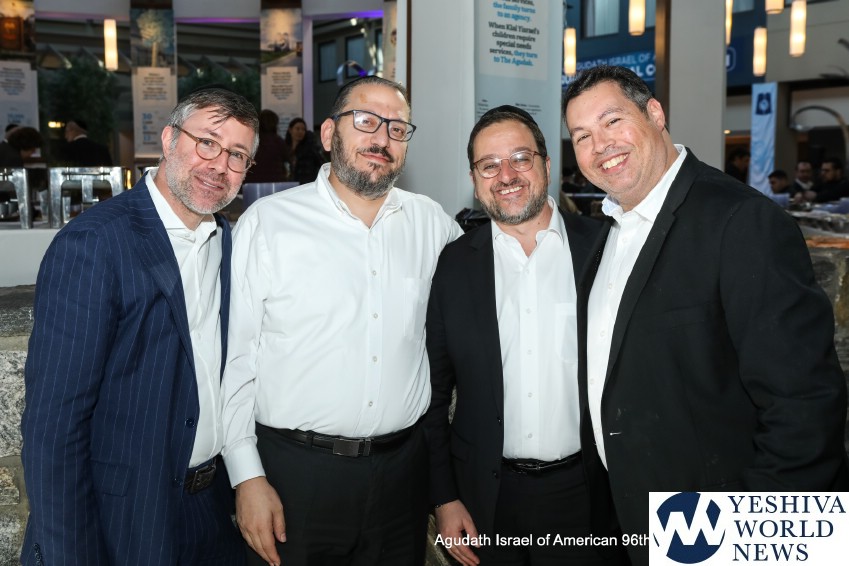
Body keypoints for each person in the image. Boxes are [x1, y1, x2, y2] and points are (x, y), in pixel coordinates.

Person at [563, 65, 849, 566]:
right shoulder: (607, 233)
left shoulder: (741, 220)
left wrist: (752, 547)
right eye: (582, 135)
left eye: (612, 121)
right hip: (631, 521)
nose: (600, 144)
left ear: (655, 113)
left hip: (716, 532)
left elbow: (804, 407)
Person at [221, 76, 462, 566]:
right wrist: (247, 477)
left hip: (402, 479)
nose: (382, 138)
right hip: (296, 479)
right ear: (330, 133)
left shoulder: (432, 224)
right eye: (366, 121)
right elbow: (235, 360)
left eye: (397, 128)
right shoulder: (269, 223)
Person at [21, 87, 259, 565]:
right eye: (207, 143)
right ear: (169, 140)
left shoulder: (227, 241)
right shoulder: (94, 244)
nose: (220, 165)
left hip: (212, 510)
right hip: (124, 516)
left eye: (237, 155)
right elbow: (54, 429)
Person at [424, 105, 623, 566]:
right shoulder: (453, 264)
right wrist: (444, 498)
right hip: (486, 500)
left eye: (520, 158)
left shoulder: (605, 247)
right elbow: (433, 394)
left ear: (547, 165)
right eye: (489, 165)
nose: (506, 176)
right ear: (474, 180)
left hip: (590, 494)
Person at [245, 109, 291, 183]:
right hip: (275, 183)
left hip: (252, 183)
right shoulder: (278, 141)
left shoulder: (251, 140)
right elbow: (288, 159)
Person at [285, 116, 325, 184]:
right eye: (297, 129)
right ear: (290, 130)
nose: (300, 132)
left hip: (306, 184)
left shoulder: (310, 148)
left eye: (303, 129)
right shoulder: (285, 147)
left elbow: (322, 164)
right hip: (289, 185)